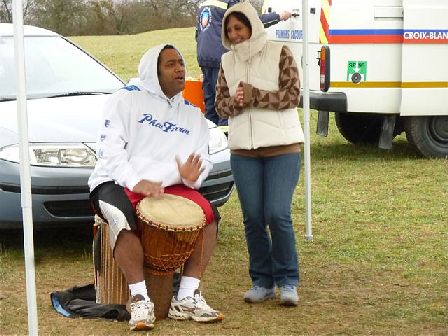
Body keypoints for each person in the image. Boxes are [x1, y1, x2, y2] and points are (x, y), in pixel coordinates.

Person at [88, 44, 223, 331]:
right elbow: (110, 154)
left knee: (210, 216)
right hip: (117, 179)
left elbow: (203, 162)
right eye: (171, 64)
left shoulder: (192, 114)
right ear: (153, 71)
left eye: (182, 64)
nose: (180, 69)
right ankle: (139, 298)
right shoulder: (124, 101)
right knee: (123, 219)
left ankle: (187, 295)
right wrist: (137, 181)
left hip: (170, 186)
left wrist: (190, 178)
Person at [215, 2, 304, 307]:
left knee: (277, 214)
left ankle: (288, 280)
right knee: (253, 218)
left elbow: (293, 96)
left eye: (239, 28)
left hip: (283, 148)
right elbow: (219, 106)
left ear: (253, 25)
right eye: (229, 30)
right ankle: (262, 282)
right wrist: (235, 103)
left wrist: (255, 96)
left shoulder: (280, 51)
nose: (234, 35)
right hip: (243, 150)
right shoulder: (226, 61)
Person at [195, 0, 292, 127]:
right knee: (226, 103)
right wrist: (278, 16)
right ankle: (226, 139)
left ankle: (212, 141)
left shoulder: (204, 3)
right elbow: (252, 22)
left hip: (204, 56)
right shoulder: (231, 2)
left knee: (210, 106)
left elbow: (198, 34)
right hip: (221, 57)